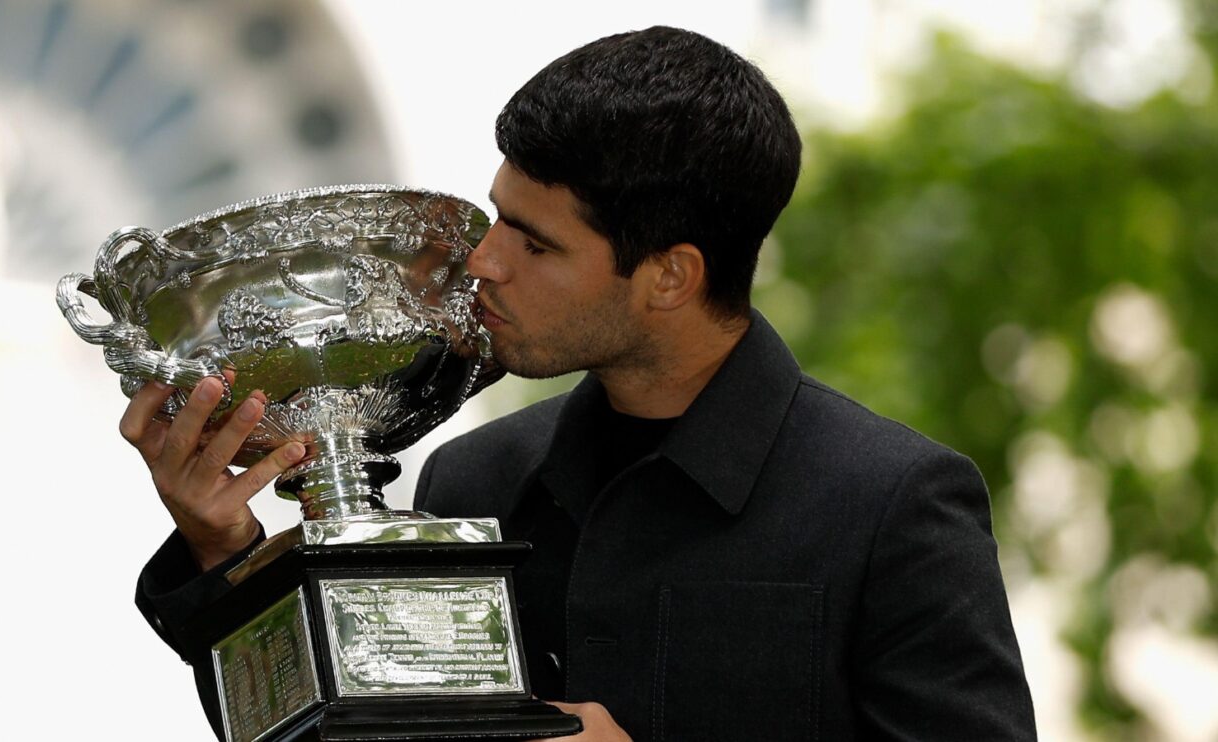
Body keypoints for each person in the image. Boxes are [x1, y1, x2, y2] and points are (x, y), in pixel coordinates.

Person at [125, 26, 1036, 741]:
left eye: (535, 243)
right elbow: (343, 731)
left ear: (670, 276)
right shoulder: (474, 480)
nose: (483, 261)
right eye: (496, 218)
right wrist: (224, 557)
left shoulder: (892, 504)